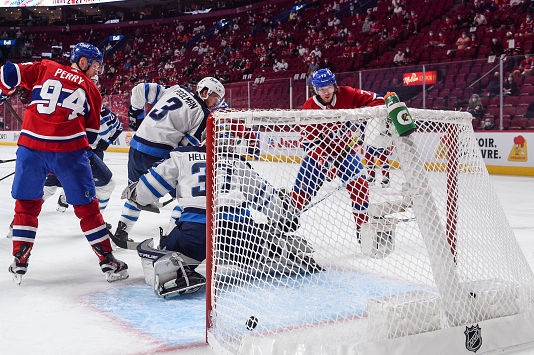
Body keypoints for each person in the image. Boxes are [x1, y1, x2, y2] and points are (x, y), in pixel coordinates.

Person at [0, 42, 128, 284]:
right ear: (82, 62)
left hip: (31, 147)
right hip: (69, 151)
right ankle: (107, 260)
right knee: (88, 208)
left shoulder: (46, 67)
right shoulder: (92, 90)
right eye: (95, 66)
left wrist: (2, 90)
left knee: (26, 205)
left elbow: (7, 71)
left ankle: (20, 259)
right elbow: (92, 135)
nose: (97, 71)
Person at [122, 131, 319, 298]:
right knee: (260, 248)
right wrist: (284, 216)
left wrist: (136, 193)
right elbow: (263, 196)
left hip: (197, 231)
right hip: (240, 233)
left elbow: (150, 186)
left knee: (163, 254)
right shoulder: (238, 163)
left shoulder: (182, 155)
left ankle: (176, 274)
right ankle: (281, 250)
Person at [111, 77, 225, 246]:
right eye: (215, 98)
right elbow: (184, 150)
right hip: (158, 154)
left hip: (136, 147)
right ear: (205, 92)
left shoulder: (176, 89)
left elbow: (140, 89)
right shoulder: (203, 115)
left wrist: (136, 114)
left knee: (136, 192)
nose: (215, 104)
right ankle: (171, 239)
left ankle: (121, 232)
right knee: (188, 198)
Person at [289, 68, 385, 244]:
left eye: (329, 87)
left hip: (345, 153)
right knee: (300, 194)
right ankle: (285, 222)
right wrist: (326, 163)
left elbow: (375, 99)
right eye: (321, 89)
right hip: (319, 155)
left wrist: (386, 104)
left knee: (360, 185)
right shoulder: (308, 109)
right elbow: (309, 144)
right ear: (315, 89)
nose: (326, 92)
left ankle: (362, 229)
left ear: (334, 85)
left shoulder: (347, 94)